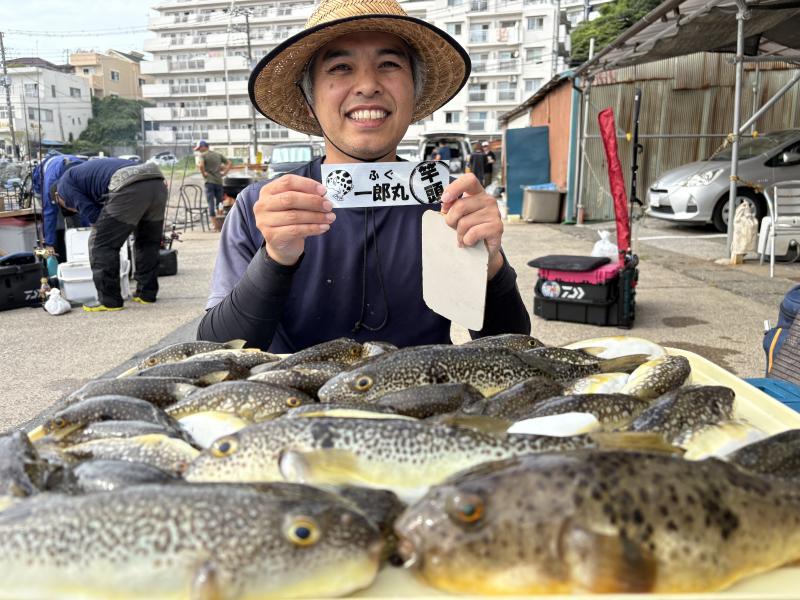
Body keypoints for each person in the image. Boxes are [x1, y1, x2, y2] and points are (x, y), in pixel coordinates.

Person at [197, 0, 530, 352]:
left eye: (388, 64)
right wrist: (275, 258)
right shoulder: (261, 207)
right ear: (310, 100)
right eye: (340, 67)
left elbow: (512, 350)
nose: (368, 85)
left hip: (423, 399)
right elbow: (216, 352)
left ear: (414, 93)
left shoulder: (447, 202)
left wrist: (491, 264)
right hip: (296, 401)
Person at [55, 158, 168, 311]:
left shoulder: (63, 186)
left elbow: (93, 215)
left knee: (101, 244)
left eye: (68, 207)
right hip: (156, 181)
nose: (72, 209)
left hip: (129, 183)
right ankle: (146, 294)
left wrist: (102, 229)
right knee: (147, 241)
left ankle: (109, 301)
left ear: (57, 197)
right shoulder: (85, 176)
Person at [195, 140, 232, 229]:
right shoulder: (217, 155)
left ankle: (215, 225)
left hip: (209, 182)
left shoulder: (202, 155)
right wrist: (225, 173)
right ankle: (221, 224)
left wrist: (204, 174)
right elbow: (229, 163)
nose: (199, 150)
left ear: (204, 147)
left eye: (200, 148)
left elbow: (201, 165)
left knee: (210, 203)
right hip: (219, 182)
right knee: (220, 202)